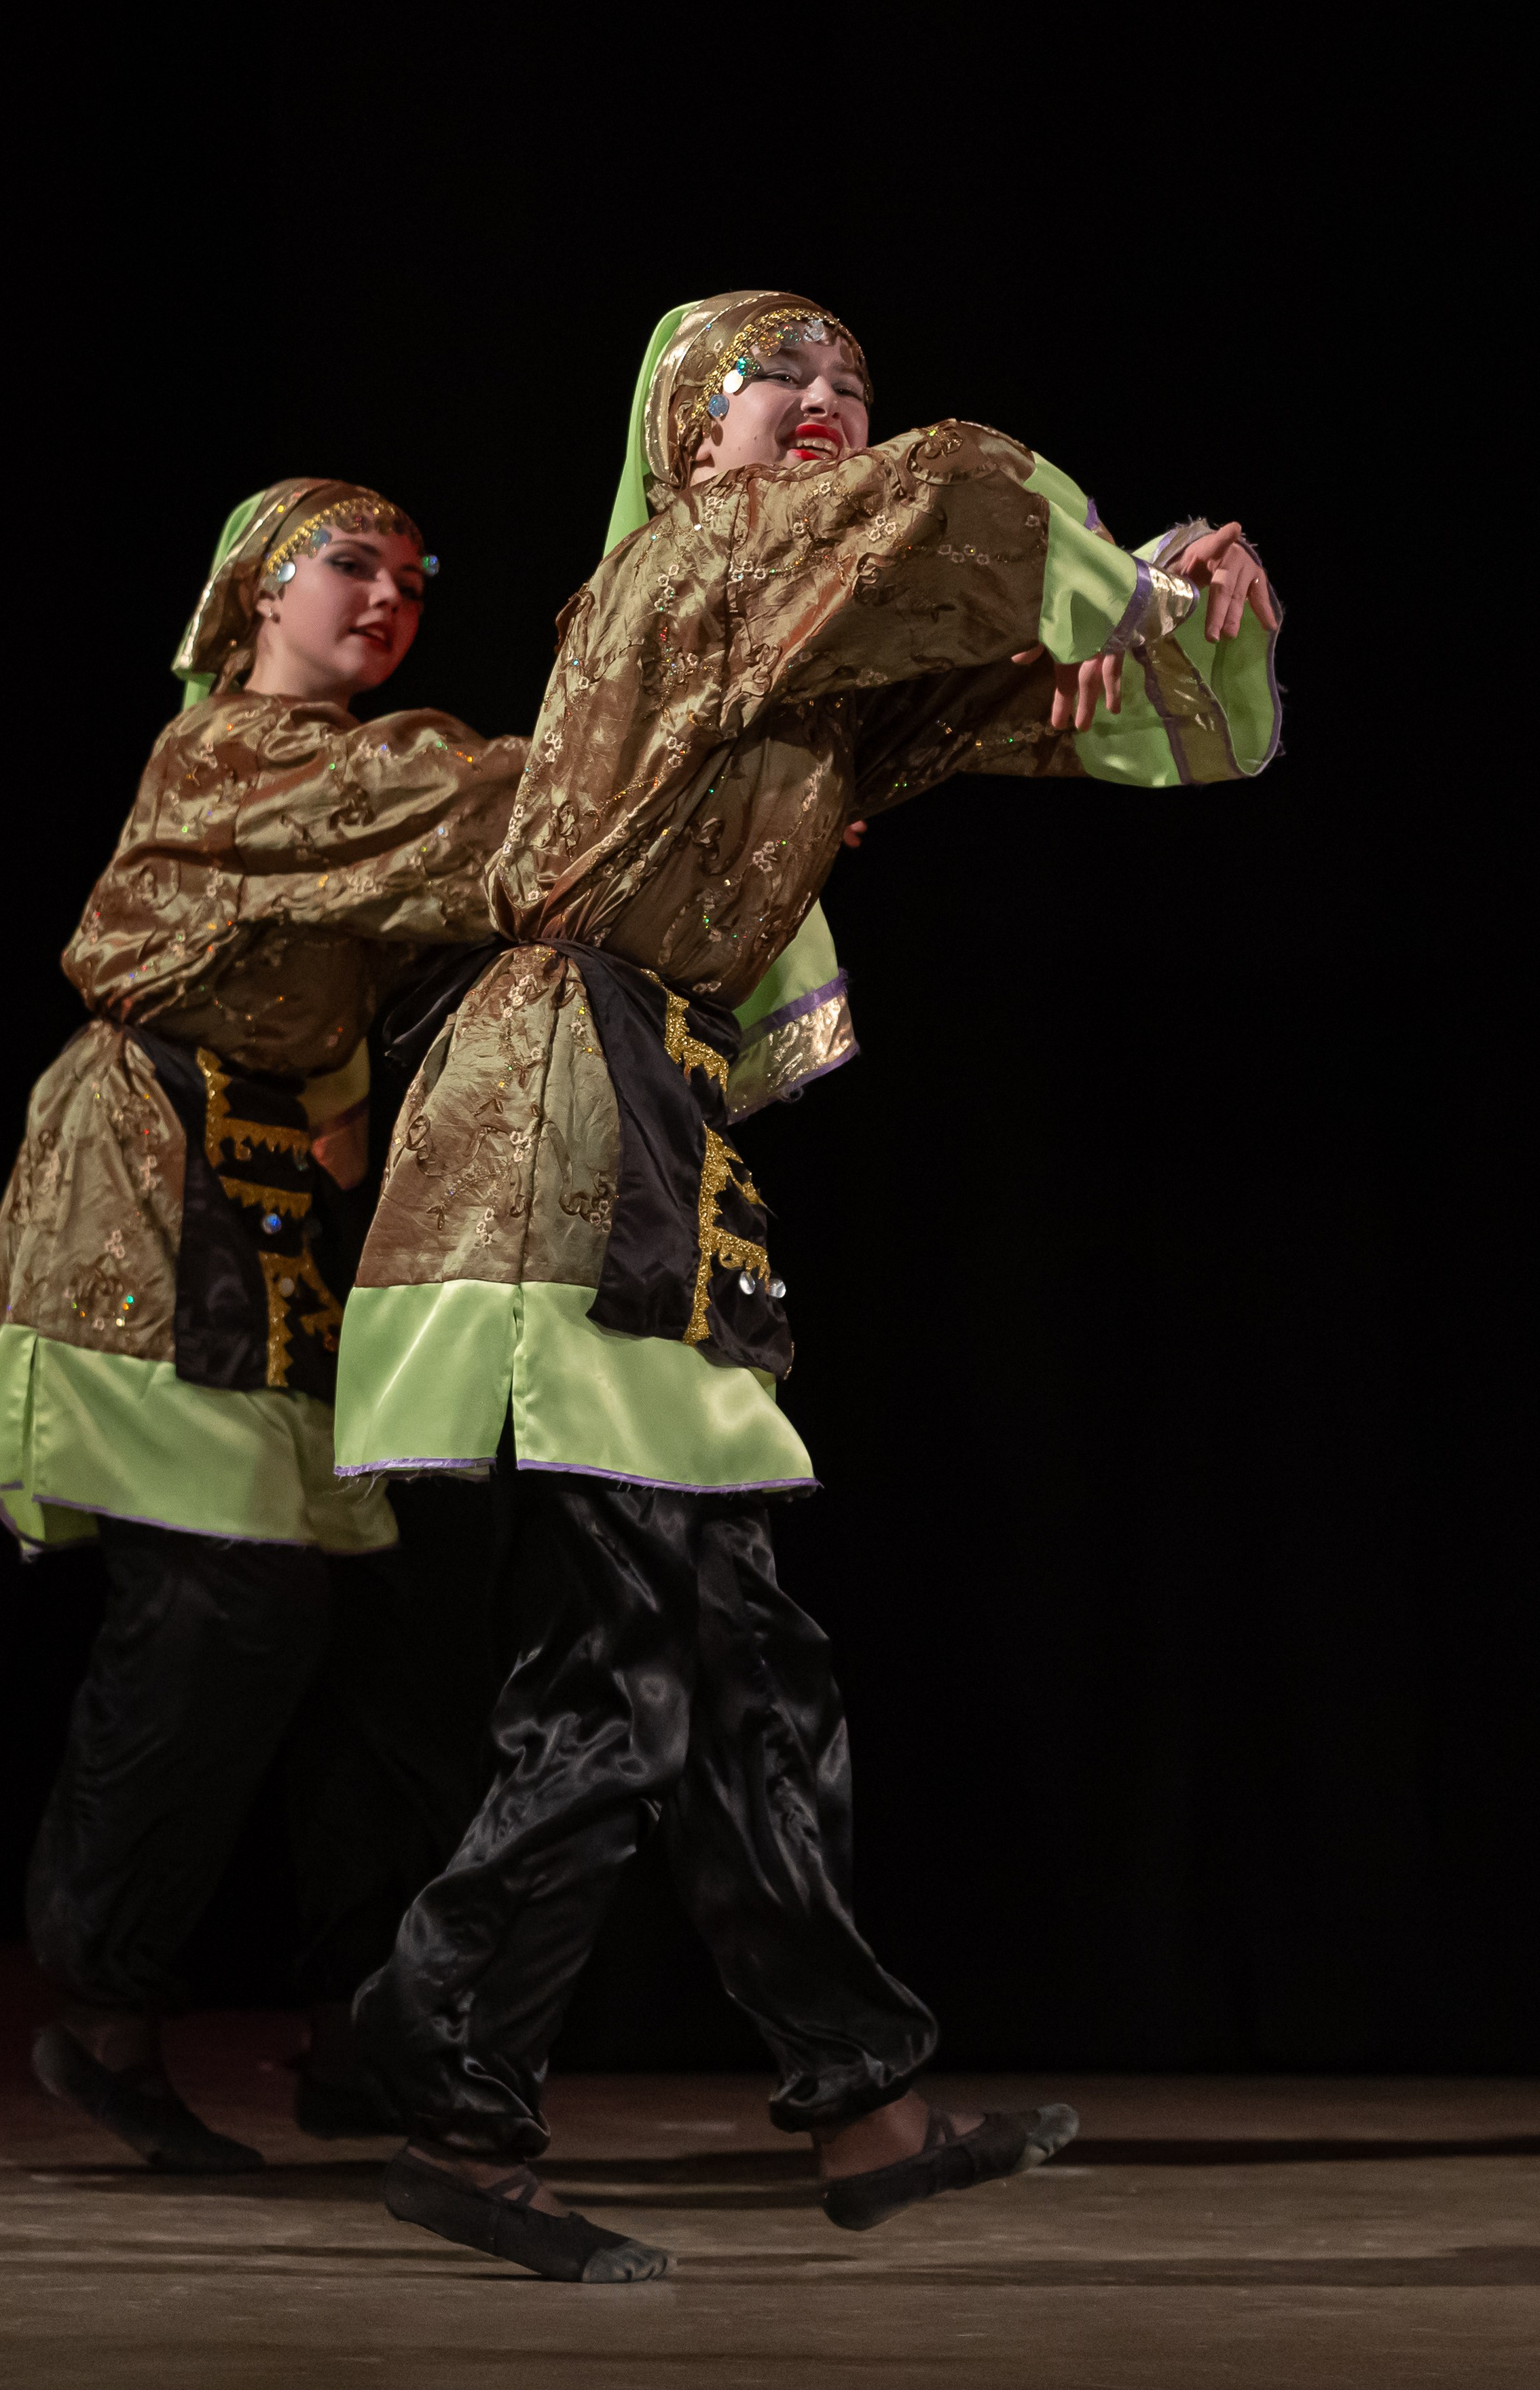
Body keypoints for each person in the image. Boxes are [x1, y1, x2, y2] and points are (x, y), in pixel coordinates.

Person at [331, 293, 1284, 2281]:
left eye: (856, 379)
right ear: (689, 437)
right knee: (636, 1676)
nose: (844, 407)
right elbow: (964, 495)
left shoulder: (794, 660)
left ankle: (863, 2100)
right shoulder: (684, 574)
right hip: (559, 1135)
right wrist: (1086, 550)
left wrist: (1181, 606)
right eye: (798, 383)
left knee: (739, 1664)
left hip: (648, 1129)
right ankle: (443, 2093)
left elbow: (1075, 704)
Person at [0, 479, 528, 2171]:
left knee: (382, 1611)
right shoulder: (234, 755)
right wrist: (653, 760)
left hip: (272, 1209)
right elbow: (472, 809)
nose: (387, 599)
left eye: (413, 582)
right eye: (350, 567)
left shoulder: (348, 804)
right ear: (253, 597)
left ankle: (364, 2021)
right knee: (224, 1602)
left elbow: (445, 917)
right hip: (146, 1179)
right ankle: (104, 2017)